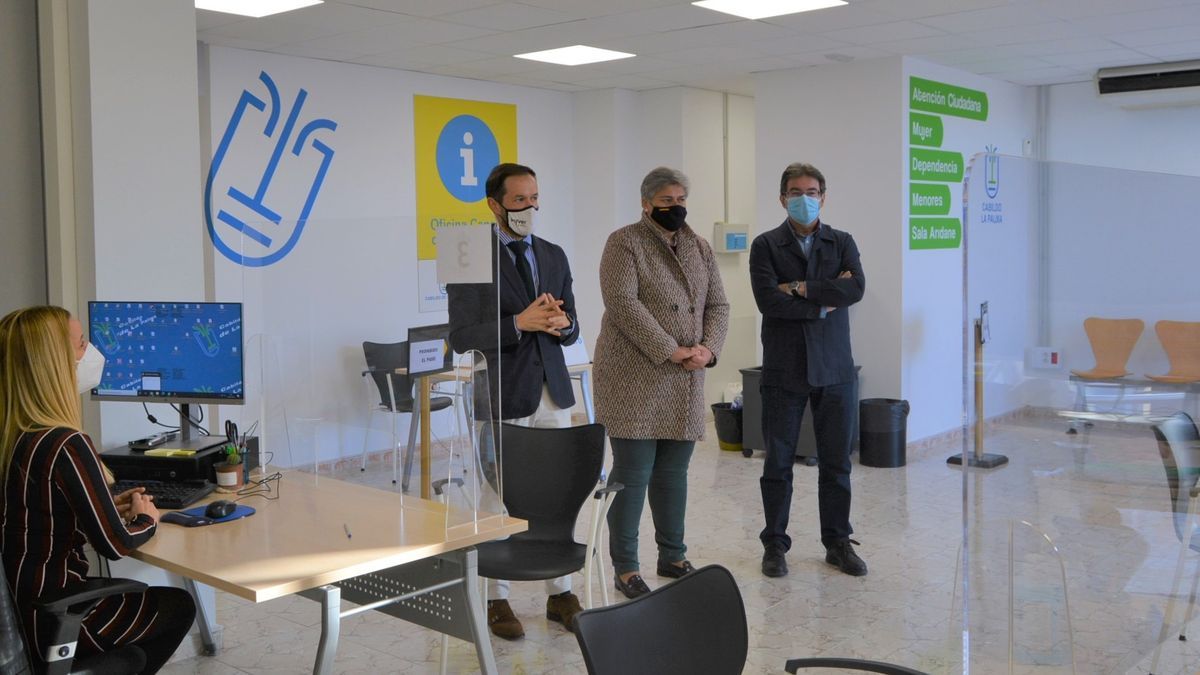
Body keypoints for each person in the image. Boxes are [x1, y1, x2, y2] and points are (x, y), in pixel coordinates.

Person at [0, 306, 196, 673]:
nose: (91, 355)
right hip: (56, 613)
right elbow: (116, 544)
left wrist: (104, 505)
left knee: (132, 654)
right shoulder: (65, 443)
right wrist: (146, 518)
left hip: (20, 609)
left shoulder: (16, 436)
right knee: (178, 606)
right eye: (80, 344)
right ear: (55, 364)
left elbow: (37, 515)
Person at [447, 163, 582, 639]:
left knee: (556, 493)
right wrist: (518, 323)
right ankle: (495, 597)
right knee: (495, 495)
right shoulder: (468, 257)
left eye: (534, 198)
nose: (529, 208)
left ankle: (559, 590)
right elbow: (461, 336)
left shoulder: (554, 254)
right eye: (519, 200)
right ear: (494, 204)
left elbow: (572, 326)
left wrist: (563, 325)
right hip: (502, 393)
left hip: (553, 392)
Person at [594, 167, 729, 599]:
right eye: (667, 200)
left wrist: (708, 348)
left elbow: (719, 304)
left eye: (681, 198)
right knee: (633, 473)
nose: (676, 207)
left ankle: (672, 556)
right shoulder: (624, 242)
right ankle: (626, 566)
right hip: (634, 374)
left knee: (674, 472)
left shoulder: (699, 247)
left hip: (686, 378)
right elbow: (622, 303)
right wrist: (670, 348)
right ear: (646, 203)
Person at [749, 162, 867, 578]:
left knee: (837, 463)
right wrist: (822, 301)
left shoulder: (842, 241)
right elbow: (768, 302)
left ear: (824, 195)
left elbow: (855, 289)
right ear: (782, 198)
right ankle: (775, 545)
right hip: (786, 367)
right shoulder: (765, 245)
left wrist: (798, 287)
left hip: (834, 368)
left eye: (812, 191)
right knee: (778, 462)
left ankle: (837, 542)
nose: (805, 198)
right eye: (796, 192)